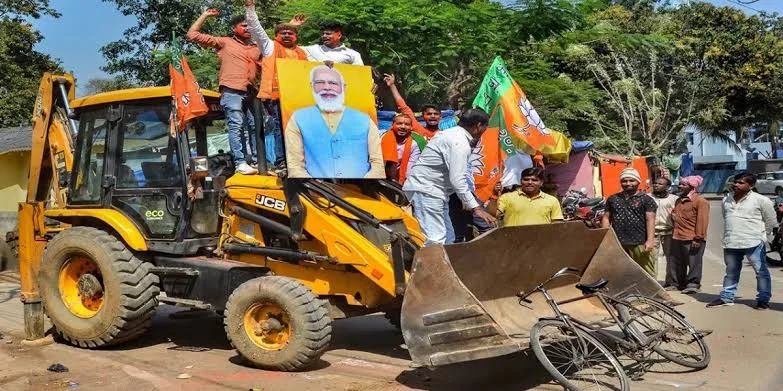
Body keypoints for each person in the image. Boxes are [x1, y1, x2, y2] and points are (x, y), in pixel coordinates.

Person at [403, 109, 497, 246]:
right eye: (485, 127)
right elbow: (458, 179)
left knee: (448, 237)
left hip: (437, 192)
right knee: (435, 239)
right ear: (478, 126)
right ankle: (432, 267)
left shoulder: (453, 135)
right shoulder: (459, 142)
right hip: (427, 190)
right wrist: (476, 208)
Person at [187, 9, 260, 175]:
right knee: (236, 125)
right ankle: (240, 162)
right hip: (232, 90)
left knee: (257, 126)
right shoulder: (225, 42)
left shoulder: (257, 47)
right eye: (244, 26)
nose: (248, 29)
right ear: (235, 28)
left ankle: (257, 161)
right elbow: (192, 35)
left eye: (250, 26)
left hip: (252, 92)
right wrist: (205, 15)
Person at [284, 65, 383, 178]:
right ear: (312, 86)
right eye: (320, 82)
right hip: (314, 192)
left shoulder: (365, 120)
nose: (327, 87)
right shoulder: (298, 118)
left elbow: (377, 164)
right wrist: (315, 189)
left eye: (333, 83)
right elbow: (295, 165)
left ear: (343, 87)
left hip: (361, 192)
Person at [244, 1, 308, 172]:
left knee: (301, 129)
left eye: (290, 33)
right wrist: (250, 9)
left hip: (299, 99)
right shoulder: (270, 47)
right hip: (277, 97)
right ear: (276, 36)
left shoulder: (303, 52)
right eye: (282, 33)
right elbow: (255, 28)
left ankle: (302, 160)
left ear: (296, 36)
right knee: (281, 127)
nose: (287, 35)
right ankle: (282, 161)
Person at [709, 172, 776, 309]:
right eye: (735, 182)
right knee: (731, 272)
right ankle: (727, 297)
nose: (736, 184)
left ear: (750, 186)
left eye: (741, 182)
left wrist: (764, 236)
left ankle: (763, 299)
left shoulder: (761, 200)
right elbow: (726, 218)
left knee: (761, 272)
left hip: (753, 242)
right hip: (731, 242)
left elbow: (771, 220)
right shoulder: (726, 200)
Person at [602, 168, 657, 277]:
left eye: (632, 180)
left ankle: (650, 294)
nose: (628, 184)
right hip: (618, 242)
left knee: (646, 273)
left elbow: (650, 220)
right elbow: (606, 218)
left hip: (640, 242)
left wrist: (650, 241)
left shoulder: (646, 200)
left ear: (638, 181)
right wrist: (605, 238)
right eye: (624, 181)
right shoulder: (613, 199)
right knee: (621, 271)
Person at [670, 176, 710, 294]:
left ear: (692, 186)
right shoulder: (679, 200)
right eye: (680, 184)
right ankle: (679, 283)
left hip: (692, 238)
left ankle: (693, 284)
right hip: (678, 236)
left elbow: (702, 221)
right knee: (678, 262)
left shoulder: (700, 201)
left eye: (683, 185)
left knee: (694, 262)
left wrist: (698, 238)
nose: (680, 186)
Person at [496, 167, 563, 227]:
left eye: (534, 180)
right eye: (526, 179)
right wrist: (494, 194)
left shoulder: (552, 200)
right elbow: (495, 214)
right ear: (521, 181)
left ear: (541, 182)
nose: (530, 182)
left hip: (541, 239)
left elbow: (556, 225)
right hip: (513, 239)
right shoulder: (507, 197)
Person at [383, 73, 442, 140]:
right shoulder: (417, 128)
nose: (432, 116)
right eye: (429, 114)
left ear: (441, 117)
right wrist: (392, 85)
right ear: (423, 116)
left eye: (436, 114)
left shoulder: (446, 134)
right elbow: (403, 107)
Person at [381, 114, 427, 184]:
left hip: (402, 181)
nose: (403, 127)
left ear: (411, 127)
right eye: (399, 124)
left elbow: (410, 168)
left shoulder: (416, 142)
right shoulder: (382, 137)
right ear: (392, 125)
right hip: (381, 178)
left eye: (407, 124)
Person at [651, 177, 679, 288]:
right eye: (655, 183)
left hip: (669, 232)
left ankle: (671, 282)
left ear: (667, 187)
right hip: (653, 232)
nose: (656, 185)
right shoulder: (648, 198)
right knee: (652, 258)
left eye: (660, 184)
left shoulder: (674, 199)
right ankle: (652, 282)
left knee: (671, 257)